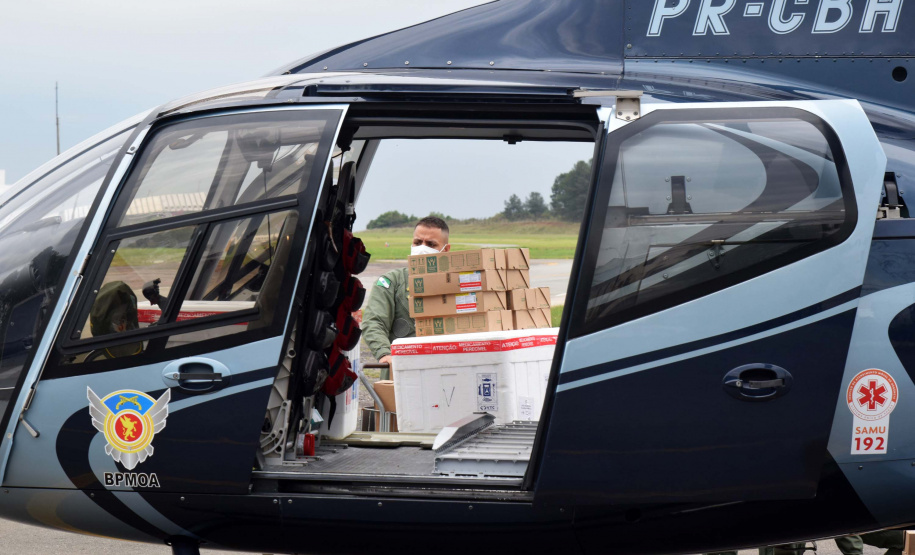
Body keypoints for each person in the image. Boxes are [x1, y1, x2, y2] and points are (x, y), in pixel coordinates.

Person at [362, 216, 450, 380]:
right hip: (402, 376)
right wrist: (384, 353)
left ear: (445, 250)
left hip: (446, 373)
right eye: (417, 243)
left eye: (431, 244)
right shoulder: (391, 282)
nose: (422, 248)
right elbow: (373, 321)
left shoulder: (456, 285)